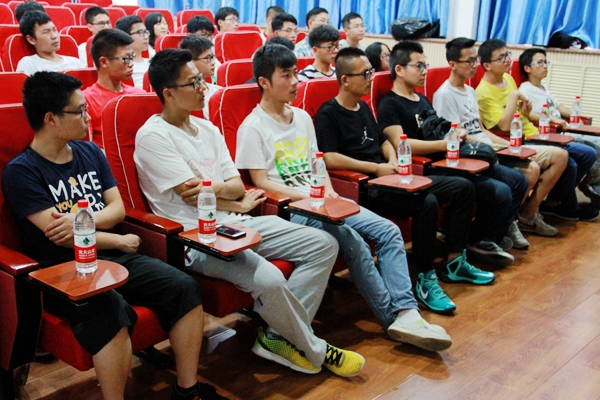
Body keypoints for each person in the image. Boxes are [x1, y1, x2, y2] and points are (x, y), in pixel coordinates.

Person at [134, 48, 365, 378]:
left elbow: (234, 187)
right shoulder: (152, 136)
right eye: (194, 82)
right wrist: (226, 195)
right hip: (195, 238)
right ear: (168, 93)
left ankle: (277, 338)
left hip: (236, 221)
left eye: (202, 79)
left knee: (323, 244)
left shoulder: (208, 129)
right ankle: (316, 348)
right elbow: (194, 198)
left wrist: (223, 195)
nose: (203, 87)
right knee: (269, 277)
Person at [1, 71, 222, 400]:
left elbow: (116, 210)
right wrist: (117, 239)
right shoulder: (22, 171)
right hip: (62, 269)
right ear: (51, 119)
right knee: (110, 310)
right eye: (79, 111)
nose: (87, 117)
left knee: (183, 286)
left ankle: (187, 389)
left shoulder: (91, 152)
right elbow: (63, 238)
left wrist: (83, 221)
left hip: (112, 256)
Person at [236, 43, 453, 351]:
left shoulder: (302, 117)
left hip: (323, 200)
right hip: (292, 209)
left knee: (388, 231)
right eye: (286, 76)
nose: (296, 82)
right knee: (353, 241)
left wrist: (330, 193)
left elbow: (318, 163)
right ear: (264, 82)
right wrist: (309, 198)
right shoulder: (253, 127)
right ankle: (393, 317)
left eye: (296, 74)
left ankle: (407, 310)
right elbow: (260, 182)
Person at [314, 47, 493, 314]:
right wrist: (375, 169)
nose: (371, 78)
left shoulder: (363, 107)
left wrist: (392, 159)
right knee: (426, 203)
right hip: (365, 188)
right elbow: (329, 158)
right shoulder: (328, 113)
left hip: (388, 176)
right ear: (345, 80)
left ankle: (455, 260)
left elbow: (383, 140)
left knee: (462, 187)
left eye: (370, 72)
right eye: (365, 74)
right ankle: (425, 278)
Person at [377, 41, 520, 267]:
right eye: (418, 66)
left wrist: (456, 132)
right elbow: (402, 144)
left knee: (505, 184)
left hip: (448, 161)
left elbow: (440, 126)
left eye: (425, 65)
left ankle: (478, 243)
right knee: (473, 188)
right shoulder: (390, 104)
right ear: (399, 69)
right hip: (424, 168)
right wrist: (445, 144)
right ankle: (457, 255)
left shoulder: (422, 100)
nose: (424, 71)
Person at [433, 37, 565, 245]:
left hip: (487, 147)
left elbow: (481, 129)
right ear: (453, 64)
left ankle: (502, 228)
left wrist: (507, 146)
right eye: (470, 61)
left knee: (535, 163)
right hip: (473, 152)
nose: (474, 65)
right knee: (525, 174)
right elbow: (454, 135)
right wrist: (491, 147)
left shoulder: (469, 91)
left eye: (475, 60)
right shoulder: (445, 94)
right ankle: (493, 233)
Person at [476, 39, 599, 222]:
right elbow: (503, 127)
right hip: (519, 138)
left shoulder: (508, 79)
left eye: (507, 54)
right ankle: (549, 208)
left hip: (533, 131)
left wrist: (529, 112)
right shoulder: (483, 92)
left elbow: (522, 113)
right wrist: (515, 97)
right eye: (501, 57)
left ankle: (554, 204)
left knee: (587, 153)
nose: (508, 59)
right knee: (574, 161)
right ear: (487, 65)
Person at [518, 47, 600, 208]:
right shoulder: (525, 89)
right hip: (553, 131)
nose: (545, 66)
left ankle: (567, 194)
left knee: (595, 143)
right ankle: (585, 187)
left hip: (564, 128)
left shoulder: (544, 87)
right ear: (527, 68)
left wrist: (575, 117)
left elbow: (559, 106)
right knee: (593, 149)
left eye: (545, 62)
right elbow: (528, 114)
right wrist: (554, 120)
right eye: (540, 62)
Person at [83, 29, 146, 148]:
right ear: (104, 62)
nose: (131, 64)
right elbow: (87, 148)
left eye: (132, 57)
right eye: (125, 59)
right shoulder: (86, 100)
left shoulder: (140, 95)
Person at [16, 11, 84, 75]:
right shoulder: (28, 64)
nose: (54, 36)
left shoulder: (75, 62)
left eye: (54, 30)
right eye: (46, 32)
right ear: (31, 39)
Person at [179, 35, 220, 119]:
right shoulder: (184, 97)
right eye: (208, 58)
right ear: (190, 61)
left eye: (213, 57)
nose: (213, 63)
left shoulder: (219, 91)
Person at [115, 15, 150, 89]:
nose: (146, 37)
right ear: (125, 36)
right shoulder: (120, 66)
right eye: (140, 32)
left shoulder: (152, 62)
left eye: (146, 32)